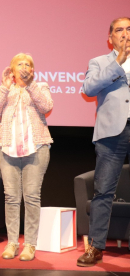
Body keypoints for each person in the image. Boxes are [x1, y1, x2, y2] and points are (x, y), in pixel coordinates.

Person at [0, 53, 53, 261]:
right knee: (11, 197)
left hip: (36, 149)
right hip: (7, 150)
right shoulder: (7, 90)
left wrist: (31, 84)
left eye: (28, 65)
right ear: (12, 70)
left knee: (32, 196)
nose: (24, 67)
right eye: (19, 64)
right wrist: (4, 87)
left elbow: (46, 106)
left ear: (32, 71)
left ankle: (30, 245)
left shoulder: (40, 86)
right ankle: (13, 243)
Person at [76, 17, 130, 267]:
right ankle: (96, 247)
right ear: (110, 38)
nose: (125, 33)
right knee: (104, 191)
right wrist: (118, 62)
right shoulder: (99, 62)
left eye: (129, 29)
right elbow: (88, 88)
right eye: (120, 30)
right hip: (111, 134)